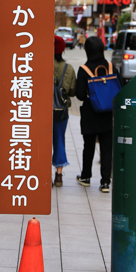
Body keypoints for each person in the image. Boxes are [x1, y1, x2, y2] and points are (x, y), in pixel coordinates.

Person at [76, 36, 116, 192]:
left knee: (89, 146)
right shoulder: (111, 68)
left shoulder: (84, 70)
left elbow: (79, 95)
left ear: (87, 50)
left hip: (90, 113)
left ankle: (86, 176)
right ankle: (105, 182)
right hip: (107, 113)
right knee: (107, 147)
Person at [53, 36, 77, 187]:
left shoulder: (38, 65)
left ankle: (41, 174)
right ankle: (59, 175)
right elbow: (73, 92)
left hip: (42, 110)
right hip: (60, 111)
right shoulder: (68, 69)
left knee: (41, 141)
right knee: (59, 140)